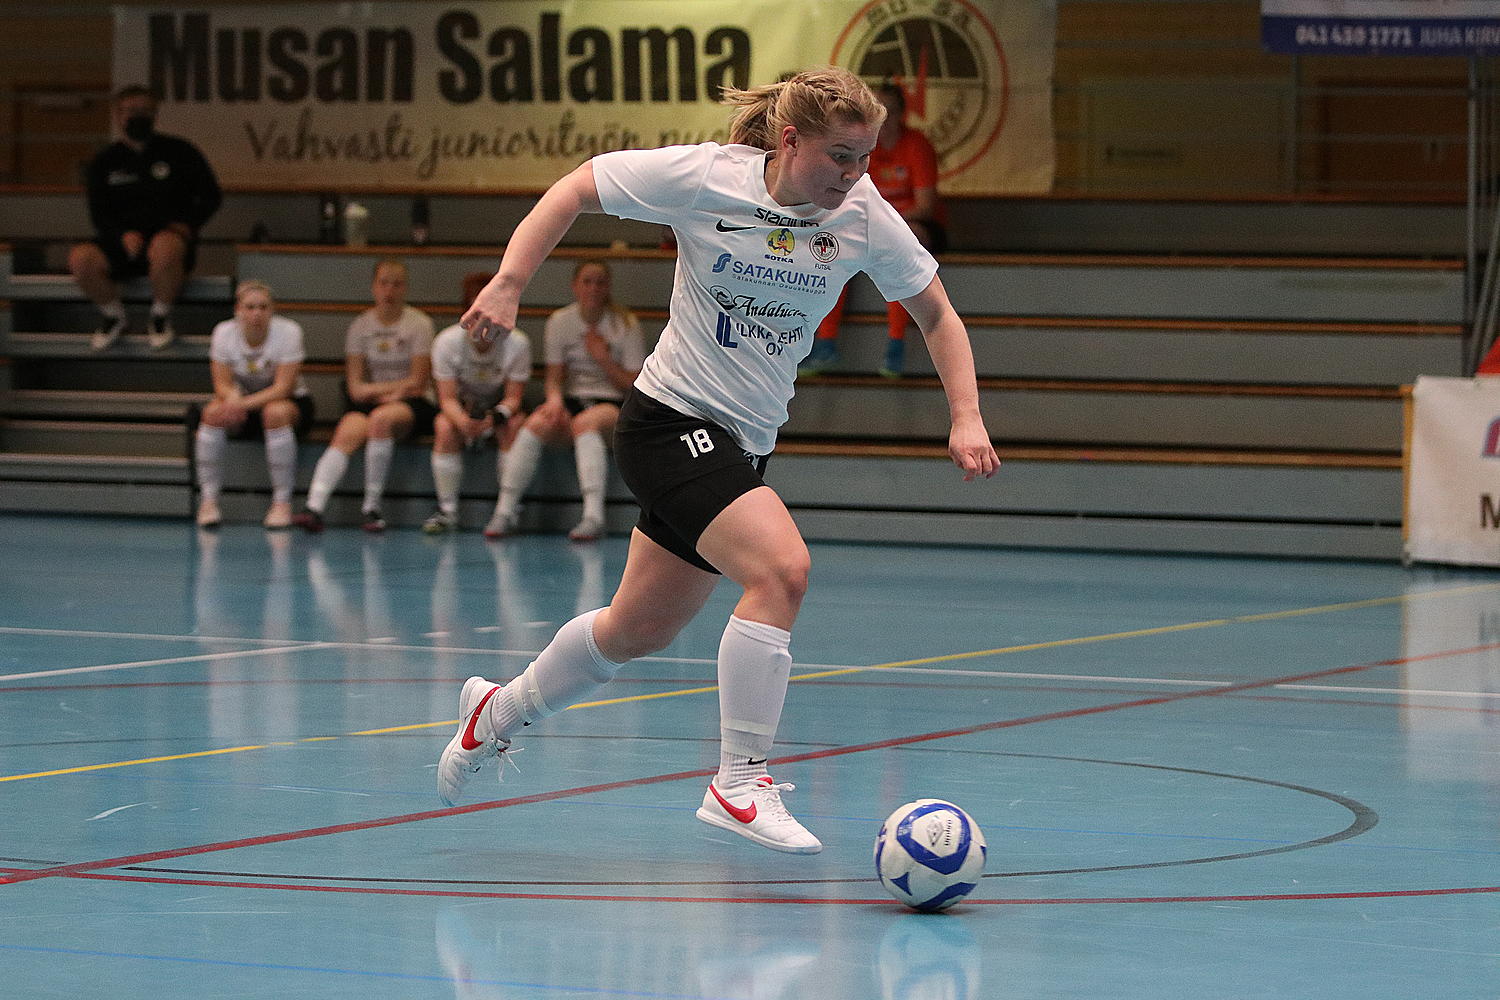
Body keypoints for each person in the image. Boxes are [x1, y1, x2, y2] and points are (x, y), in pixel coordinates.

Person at [435, 67, 998, 856]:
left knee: (635, 629)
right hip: (670, 420)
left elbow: (936, 312)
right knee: (782, 571)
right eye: (840, 156)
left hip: (743, 445)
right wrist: (508, 283)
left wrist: (965, 414)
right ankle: (739, 781)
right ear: (790, 141)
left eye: (865, 157)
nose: (854, 174)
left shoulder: (863, 214)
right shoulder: (707, 178)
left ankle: (495, 711)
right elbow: (575, 188)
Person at [489, 258, 645, 541]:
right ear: (575, 286)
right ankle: (505, 511)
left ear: (608, 287)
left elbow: (634, 386)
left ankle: (593, 516)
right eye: (587, 282)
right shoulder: (560, 321)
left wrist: (603, 359)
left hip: (612, 403)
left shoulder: (625, 323)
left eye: (600, 282)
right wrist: (554, 401)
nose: (594, 288)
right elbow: (554, 378)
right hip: (572, 400)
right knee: (537, 423)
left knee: (586, 424)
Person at [799, 82, 947, 378]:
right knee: (833, 247)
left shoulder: (916, 145)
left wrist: (883, 223)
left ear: (903, 114)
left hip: (917, 225)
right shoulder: (862, 148)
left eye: (891, 110)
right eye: (880, 111)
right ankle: (825, 343)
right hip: (868, 227)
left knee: (899, 243)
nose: (885, 118)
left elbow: (925, 206)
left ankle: (896, 344)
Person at [69, 84, 222, 352]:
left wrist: (187, 225)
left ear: (155, 114)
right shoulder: (104, 162)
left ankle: (160, 317)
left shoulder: (181, 152)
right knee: (80, 259)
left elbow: (211, 196)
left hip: (168, 242)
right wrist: (121, 235)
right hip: (121, 243)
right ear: (118, 115)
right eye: (131, 111)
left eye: (145, 111)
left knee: (166, 247)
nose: (138, 116)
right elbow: (99, 214)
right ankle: (113, 316)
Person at [293, 259, 436, 533]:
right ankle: (314, 507)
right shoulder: (360, 326)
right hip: (373, 401)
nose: (389, 290)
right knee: (347, 430)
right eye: (384, 283)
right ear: (373, 287)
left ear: (405, 288)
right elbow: (355, 386)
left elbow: (417, 382)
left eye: (397, 284)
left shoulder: (419, 324)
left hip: (413, 403)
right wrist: (382, 392)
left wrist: (386, 393)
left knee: (381, 420)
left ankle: (372, 508)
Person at [193, 280, 313, 529]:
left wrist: (242, 404)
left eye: (263, 307)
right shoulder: (223, 332)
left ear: (272, 310)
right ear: (238, 310)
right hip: (242, 403)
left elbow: (283, 388)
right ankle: (208, 501)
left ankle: (282, 502)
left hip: (287, 403)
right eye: (250, 307)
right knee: (212, 413)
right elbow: (221, 384)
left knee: (274, 413)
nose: (257, 314)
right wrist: (233, 399)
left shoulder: (289, 332)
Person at [420, 281, 532, 534]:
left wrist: (495, 417)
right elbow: (447, 399)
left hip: (500, 409)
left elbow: (514, 398)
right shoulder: (446, 342)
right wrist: (464, 422)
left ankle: (507, 511)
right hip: (462, 408)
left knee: (514, 426)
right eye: (478, 311)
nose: (484, 321)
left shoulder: (517, 343)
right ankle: (447, 510)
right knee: (444, 426)